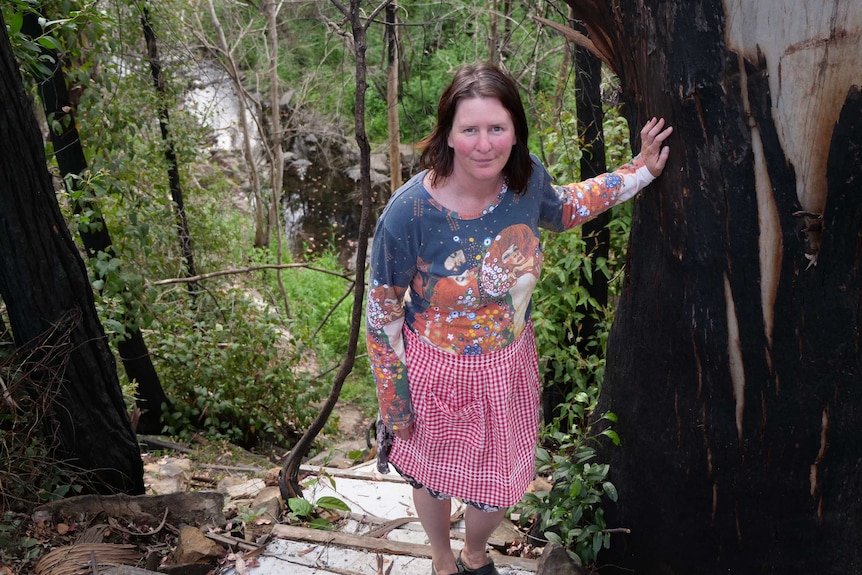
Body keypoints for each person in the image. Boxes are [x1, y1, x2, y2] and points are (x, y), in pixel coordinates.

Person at [366, 61, 672, 575]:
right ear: (448, 134)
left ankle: (475, 551)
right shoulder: (409, 213)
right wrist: (395, 404)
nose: (484, 144)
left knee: (502, 486)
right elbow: (383, 314)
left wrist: (639, 170)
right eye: (470, 129)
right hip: (433, 373)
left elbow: (566, 208)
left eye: (496, 128)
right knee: (431, 479)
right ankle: (443, 560)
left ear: (514, 132)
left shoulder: (526, 183)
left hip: (508, 369)